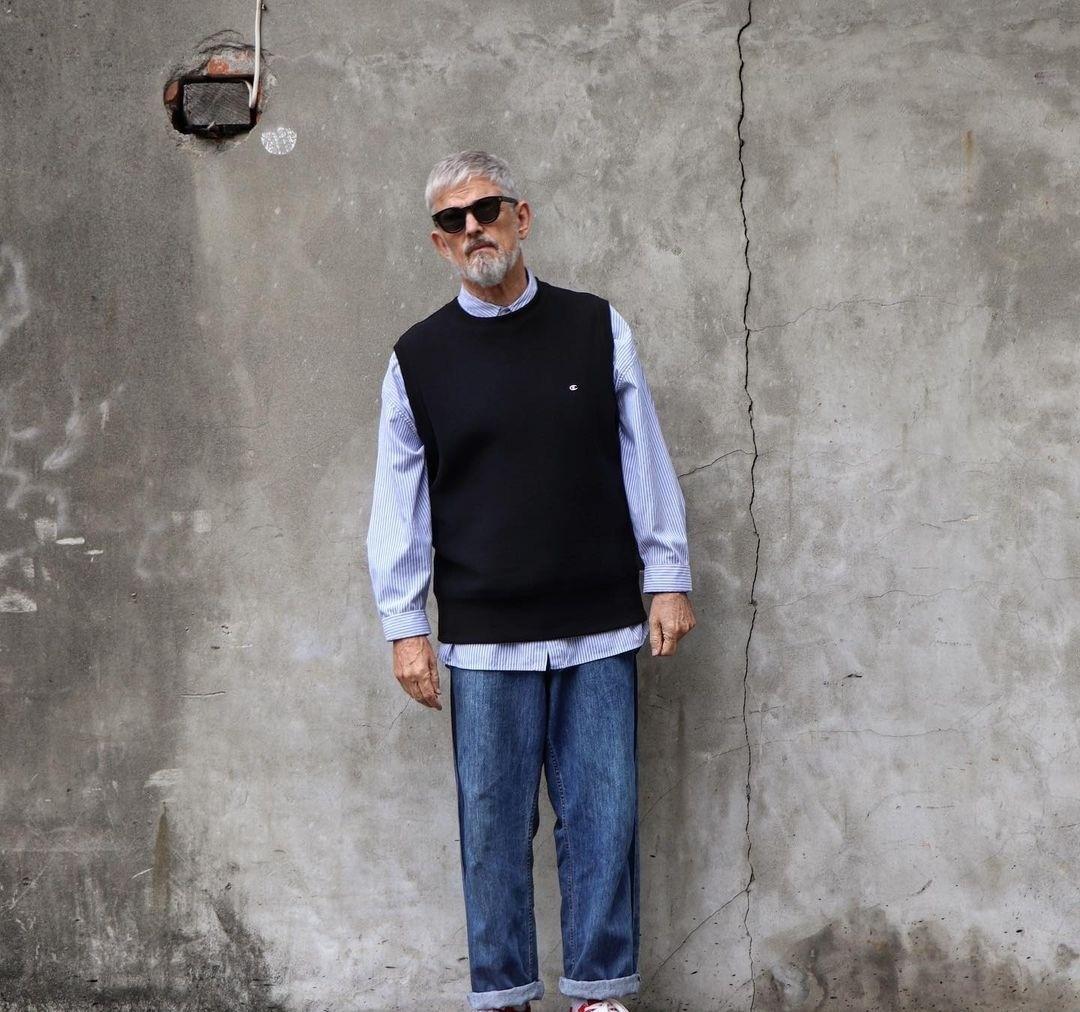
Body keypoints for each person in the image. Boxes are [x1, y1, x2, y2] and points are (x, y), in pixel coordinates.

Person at [366, 150, 696, 1012]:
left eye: (487, 210)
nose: (473, 228)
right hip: (484, 640)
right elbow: (398, 503)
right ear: (439, 243)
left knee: (604, 820)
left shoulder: (596, 326)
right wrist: (405, 626)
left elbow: (645, 455)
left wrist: (668, 578)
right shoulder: (417, 359)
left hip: (598, 624)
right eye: (453, 220)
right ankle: (504, 996)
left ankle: (599, 994)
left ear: (522, 216)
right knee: (491, 831)